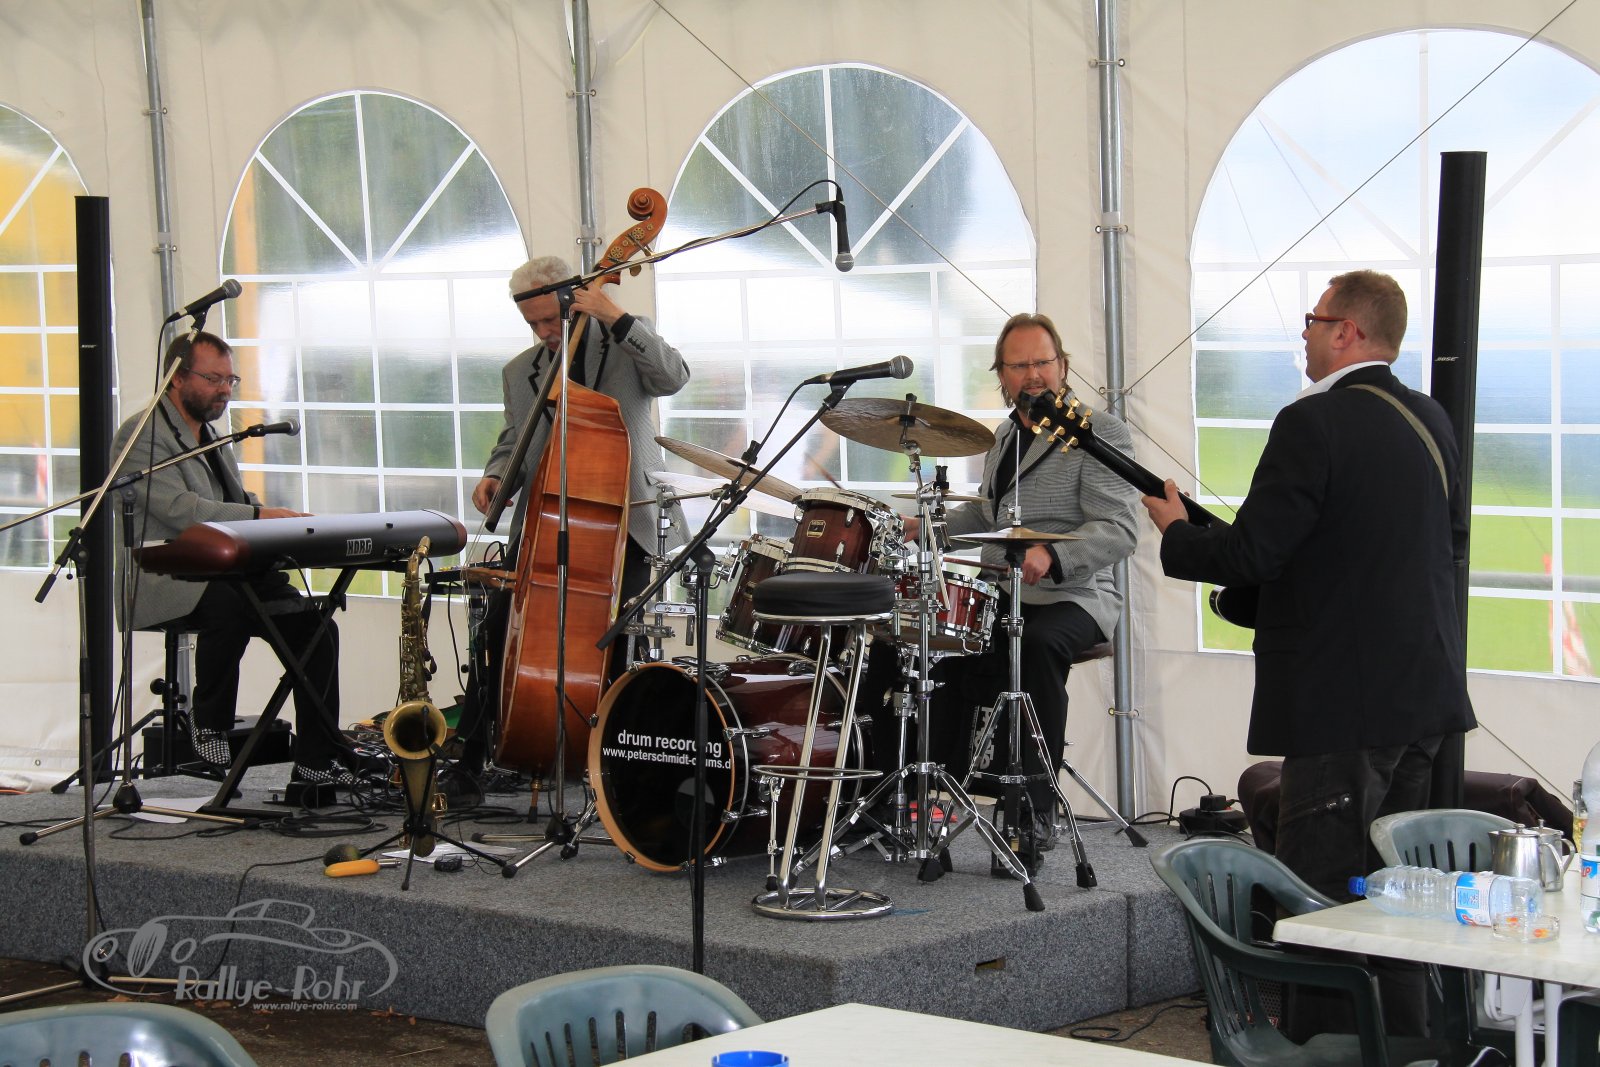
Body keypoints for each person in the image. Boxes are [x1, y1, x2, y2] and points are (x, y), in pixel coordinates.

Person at [1141, 269, 1475, 1035]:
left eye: (1314, 320)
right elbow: (1389, 549)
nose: (1305, 333)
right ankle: (1405, 1045)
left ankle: (1321, 1047)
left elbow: (1254, 554)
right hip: (1423, 699)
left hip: (1341, 705)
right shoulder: (1430, 419)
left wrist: (1177, 531)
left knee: (1321, 903)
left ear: (1347, 332)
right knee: (1397, 901)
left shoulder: (1312, 421)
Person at [872, 313, 1140, 860]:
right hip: (1003, 591)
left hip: (1074, 594)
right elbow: (990, 513)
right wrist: (927, 527)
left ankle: (1034, 807)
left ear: (1063, 366)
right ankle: (921, 795)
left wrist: (1053, 555)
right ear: (1001, 374)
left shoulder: (1099, 432)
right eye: (1019, 365)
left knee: (1036, 645)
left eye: (1042, 362)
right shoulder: (1005, 435)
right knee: (926, 644)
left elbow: (1119, 529)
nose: (1033, 374)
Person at [113, 331, 360, 787]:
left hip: (227, 569)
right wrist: (259, 516)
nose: (225, 390)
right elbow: (179, 510)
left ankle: (316, 759)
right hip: (167, 576)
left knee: (317, 628)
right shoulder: (141, 436)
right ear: (176, 377)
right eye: (213, 379)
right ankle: (209, 722)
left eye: (231, 380)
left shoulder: (211, 435)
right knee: (229, 601)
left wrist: (280, 523)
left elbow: (234, 501)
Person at [470, 256, 690, 672]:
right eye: (532, 324)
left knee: (616, 640)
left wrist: (615, 316)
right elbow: (515, 437)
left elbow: (673, 377)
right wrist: (496, 474)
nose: (543, 332)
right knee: (502, 628)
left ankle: (614, 711)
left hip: (625, 516)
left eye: (549, 320)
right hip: (547, 518)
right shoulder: (519, 371)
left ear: (574, 301)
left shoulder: (627, 338)